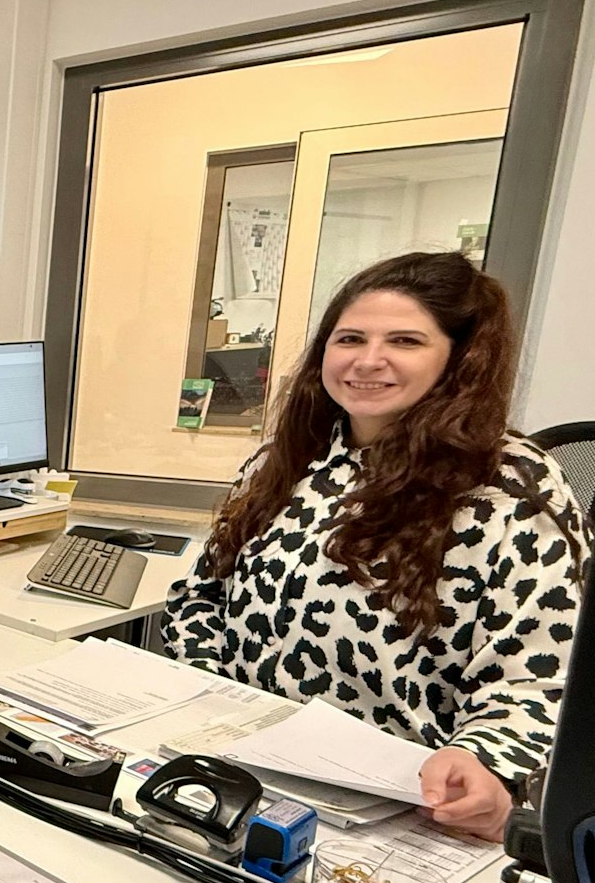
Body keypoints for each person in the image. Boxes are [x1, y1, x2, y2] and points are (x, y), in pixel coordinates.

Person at [165, 251, 588, 841]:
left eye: (405, 341)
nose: (367, 360)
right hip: (242, 768)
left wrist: (481, 763)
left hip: (402, 804)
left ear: (460, 358)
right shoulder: (286, 460)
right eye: (350, 339)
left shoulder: (511, 487)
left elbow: (539, 680)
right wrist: (206, 699)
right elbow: (201, 598)